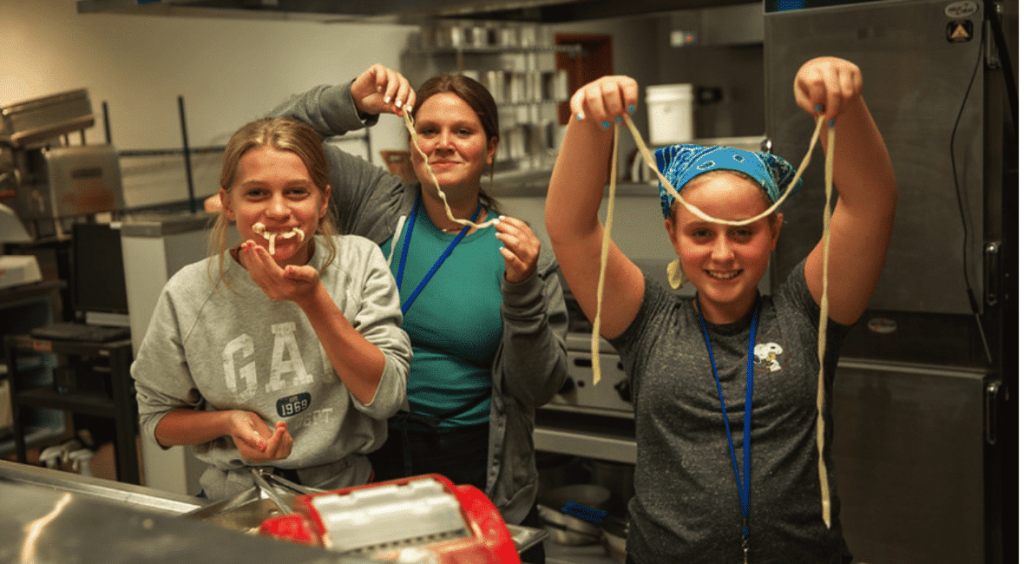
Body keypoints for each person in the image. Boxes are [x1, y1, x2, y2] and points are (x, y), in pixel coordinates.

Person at [544, 57, 897, 563]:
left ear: (773, 233)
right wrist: (593, 123)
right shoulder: (649, 323)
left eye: (744, 232)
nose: (723, 254)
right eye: (702, 233)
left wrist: (843, 106)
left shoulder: (806, 313)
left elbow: (870, 202)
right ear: (673, 234)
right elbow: (571, 226)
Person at [263, 64, 568, 562]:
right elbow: (267, 144)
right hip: (376, 451)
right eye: (428, 131)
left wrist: (523, 289)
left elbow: (539, 387)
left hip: (477, 460)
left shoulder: (520, 250)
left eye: (462, 131)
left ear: (490, 149)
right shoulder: (376, 204)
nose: (443, 143)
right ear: (411, 144)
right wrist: (351, 100)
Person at [132, 117, 412, 500]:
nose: (278, 211)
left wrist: (312, 301)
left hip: (343, 496)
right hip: (237, 498)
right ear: (228, 204)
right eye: (257, 194)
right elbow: (156, 418)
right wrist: (229, 422)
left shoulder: (359, 263)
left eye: (297, 192)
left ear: (323, 200)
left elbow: (386, 397)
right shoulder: (189, 291)